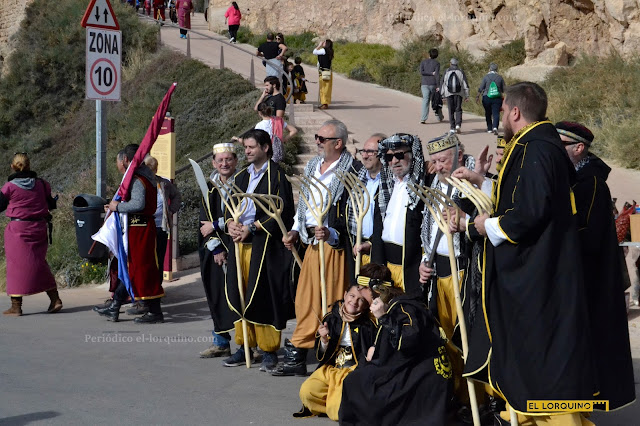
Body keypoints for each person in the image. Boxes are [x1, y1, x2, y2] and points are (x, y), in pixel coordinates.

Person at [466, 82, 596, 424]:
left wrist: (485, 226)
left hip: (538, 275)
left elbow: (530, 211)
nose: (500, 118)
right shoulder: (536, 145)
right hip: (538, 271)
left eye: (502, 110)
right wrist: (483, 184)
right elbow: (524, 196)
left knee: (543, 363)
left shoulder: (536, 148)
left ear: (514, 111)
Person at [556, 121, 635, 411]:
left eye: (561, 145)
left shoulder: (590, 184)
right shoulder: (576, 178)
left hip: (590, 282)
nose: (555, 150)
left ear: (579, 148)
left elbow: (583, 236)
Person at [274, 119, 357, 377]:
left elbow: (354, 214)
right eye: (317, 137)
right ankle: (298, 352)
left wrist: (333, 233)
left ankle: (330, 351)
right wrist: (295, 230)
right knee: (306, 298)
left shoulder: (352, 170)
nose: (317, 142)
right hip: (311, 242)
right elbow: (304, 205)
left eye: (322, 138)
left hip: (335, 245)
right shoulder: (312, 165)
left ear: (338, 143)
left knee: (332, 299)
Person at [224, 129, 295, 371]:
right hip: (239, 244)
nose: (247, 151)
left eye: (251, 147)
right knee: (239, 292)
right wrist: (230, 224)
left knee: (263, 295)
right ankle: (245, 345)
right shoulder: (241, 176)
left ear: (265, 148)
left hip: (264, 246)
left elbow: (283, 212)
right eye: (245, 147)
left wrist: (253, 228)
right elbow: (229, 206)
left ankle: (268, 350)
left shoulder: (278, 176)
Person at [339, 284, 452, 426]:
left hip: (422, 374)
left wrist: (384, 317)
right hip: (413, 367)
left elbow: (407, 340)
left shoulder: (404, 307)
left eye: (369, 301)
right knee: (357, 378)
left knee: (357, 383)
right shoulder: (399, 306)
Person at [294, 264, 379, 420]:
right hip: (330, 369)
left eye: (360, 300)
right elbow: (320, 354)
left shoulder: (368, 325)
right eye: (352, 296)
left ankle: (341, 403)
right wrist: (323, 339)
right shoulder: (331, 318)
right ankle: (337, 402)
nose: (354, 302)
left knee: (336, 409)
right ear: (345, 295)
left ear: (366, 305)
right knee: (307, 392)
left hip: (352, 371)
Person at [95, 144, 165, 323]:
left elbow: (138, 204)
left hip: (141, 229)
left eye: (118, 161)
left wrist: (117, 206)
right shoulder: (142, 177)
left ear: (125, 160)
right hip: (138, 228)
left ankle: (154, 311)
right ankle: (115, 305)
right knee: (132, 268)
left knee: (142, 270)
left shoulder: (138, 179)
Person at [1, 153, 61, 316]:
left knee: (15, 266)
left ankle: (16, 306)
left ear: (13, 167)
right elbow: (50, 204)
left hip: (18, 229)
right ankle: (55, 299)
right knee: (39, 263)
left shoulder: (9, 187)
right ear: (29, 165)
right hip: (39, 227)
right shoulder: (42, 184)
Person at [126, 156, 182, 316]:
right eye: (148, 168)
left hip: (160, 227)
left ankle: (155, 295)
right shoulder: (139, 182)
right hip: (143, 227)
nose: (151, 171)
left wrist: (171, 211)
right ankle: (142, 297)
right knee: (143, 263)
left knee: (157, 261)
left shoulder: (163, 183)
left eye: (153, 168)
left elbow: (177, 196)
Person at [369, 133, 425, 292]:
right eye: (389, 157)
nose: (394, 161)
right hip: (387, 265)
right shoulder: (385, 187)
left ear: (412, 155)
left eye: (399, 155)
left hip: (412, 266)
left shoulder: (423, 186)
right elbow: (378, 228)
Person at [198, 143, 238, 358]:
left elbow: (241, 216)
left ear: (236, 161)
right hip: (216, 247)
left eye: (228, 159)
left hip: (239, 244)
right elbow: (204, 222)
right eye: (220, 160)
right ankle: (221, 341)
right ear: (214, 163)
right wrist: (215, 248)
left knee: (240, 295)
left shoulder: (243, 183)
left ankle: (248, 344)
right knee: (217, 293)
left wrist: (216, 224)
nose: (224, 164)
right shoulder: (210, 187)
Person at [348, 133, 385, 283]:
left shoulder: (389, 184)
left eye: (370, 152)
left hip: (378, 251)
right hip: (356, 249)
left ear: (382, 154)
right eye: (363, 151)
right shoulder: (358, 180)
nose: (364, 155)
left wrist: (371, 244)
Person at [441, 58, 469, 134]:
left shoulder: (447, 71)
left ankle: (452, 127)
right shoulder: (460, 71)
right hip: (459, 93)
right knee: (458, 109)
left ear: (450, 63)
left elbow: (443, 83)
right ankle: (458, 125)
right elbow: (465, 84)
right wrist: (467, 95)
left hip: (448, 93)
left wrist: (442, 95)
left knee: (451, 110)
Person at [477, 63, 505, 135]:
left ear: (489, 69)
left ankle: (489, 128)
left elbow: (481, 88)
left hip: (486, 97)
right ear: (497, 69)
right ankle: (495, 127)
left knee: (488, 113)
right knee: (496, 113)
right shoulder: (500, 77)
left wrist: (477, 96)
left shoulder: (486, 77)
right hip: (497, 97)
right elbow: (504, 89)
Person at [419, 48, 444, 123]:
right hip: (433, 84)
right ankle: (439, 117)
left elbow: (421, 72)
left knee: (425, 100)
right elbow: (437, 75)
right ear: (436, 55)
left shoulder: (423, 62)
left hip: (424, 84)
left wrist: (429, 73)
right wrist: (438, 86)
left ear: (429, 54)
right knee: (435, 100)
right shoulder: (437, 63)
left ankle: (423, 118)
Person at [313, 39, 334, 110]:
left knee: (323, 88)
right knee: (327, 89)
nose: (323, 43)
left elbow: (314, 52)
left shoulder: (323, 50)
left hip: (323, 72)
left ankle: (324, 103)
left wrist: (319, 45)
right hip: (328, 72)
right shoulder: (330, 51)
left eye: (324, 42)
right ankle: (325, 102)